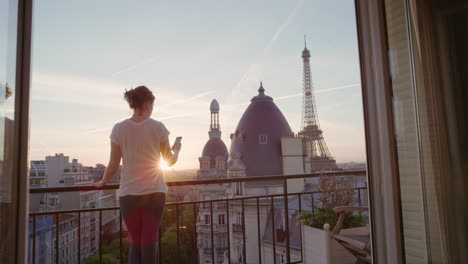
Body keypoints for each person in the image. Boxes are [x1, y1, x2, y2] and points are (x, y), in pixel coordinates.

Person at [92, 86, 181, 264]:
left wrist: (102, 182)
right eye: (152, 104)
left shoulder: (119, 129)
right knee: (149, 242)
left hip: (128, 195)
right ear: (148, 103)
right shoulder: (158, 127)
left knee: (136, 243)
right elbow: (169, 161)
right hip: (154, 193)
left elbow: (113, 165)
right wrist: (177, 150)